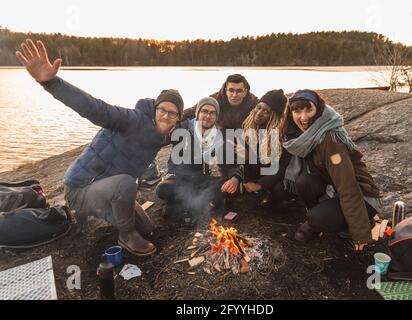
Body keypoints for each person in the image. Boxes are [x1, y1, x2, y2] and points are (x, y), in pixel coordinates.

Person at [15, 39, 184, 256]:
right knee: (126, 185)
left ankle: (114, 215)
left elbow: (195, 114)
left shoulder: (163, 135)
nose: (166, 115)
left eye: (173, 113)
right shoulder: (130, 120)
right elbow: (94, 108)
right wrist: (52, 83)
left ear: (177, 119)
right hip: (81, 188)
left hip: (106, 188)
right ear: (155, 109)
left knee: (148, 229)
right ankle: (126, 236)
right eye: (163, 109)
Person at [278, 89, 382, 251]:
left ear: (318, 110)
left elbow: (348, 186)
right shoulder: (301, 136)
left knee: (317, 217)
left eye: (309, 110)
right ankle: (321, 219)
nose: (303, 117)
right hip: (333, 187)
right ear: (291, 113)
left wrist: (360, 233)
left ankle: (353, 223)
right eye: (297, 111)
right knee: (304, 182)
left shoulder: (329, 140)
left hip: (361, 197)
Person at [155, 97, 242, 221]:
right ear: (198, 113)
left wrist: (235, 178)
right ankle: (202, 204)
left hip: (201, 180)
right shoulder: (182, 128)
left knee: (227, 185)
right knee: (162, 189)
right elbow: (160, 139)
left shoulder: (219, 137)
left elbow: (231, 162)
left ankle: (187, 206)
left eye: (212, 113)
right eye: (204, 111)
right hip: (179, 179)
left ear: (216, 117)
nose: (208, 116)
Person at [241, 89, 290, 207]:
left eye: (266, 111)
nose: (259, 113)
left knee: (280, 190)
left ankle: (270, 196)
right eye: (258, 107)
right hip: (255, 174)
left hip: (274, 178)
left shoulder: (281, 135)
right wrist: (247, 180)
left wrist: (260, 185)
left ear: (274, 116)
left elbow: (282, 168)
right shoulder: (249, 127)